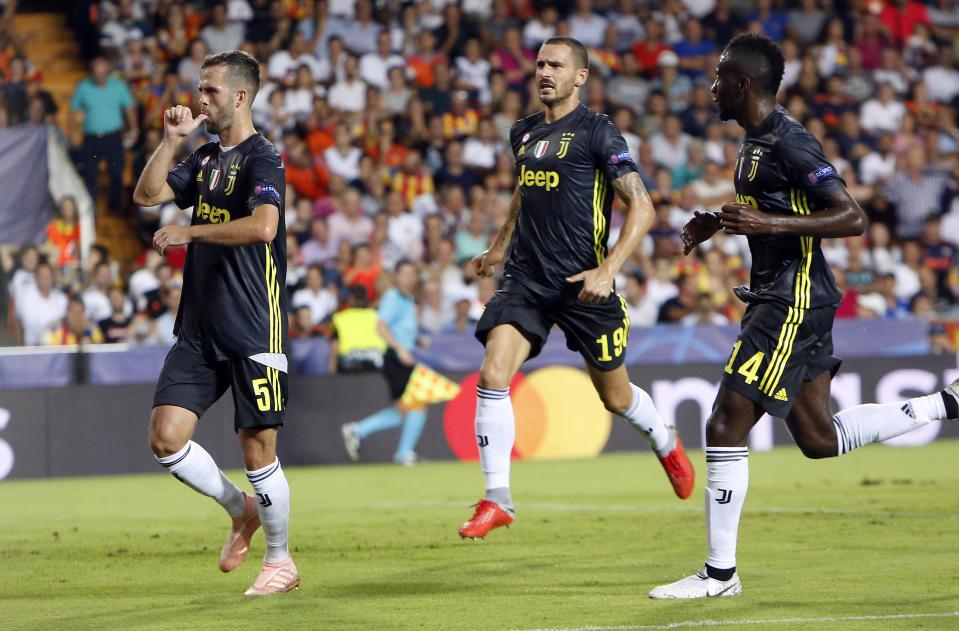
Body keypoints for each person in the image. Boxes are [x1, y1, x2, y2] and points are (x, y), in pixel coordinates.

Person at [650, 33, 959, 600]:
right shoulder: (753, 141)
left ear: (743, 84)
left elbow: (851, 215)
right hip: (792, 298)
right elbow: (771, 208)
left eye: (719, 77)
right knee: (819, 438)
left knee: (724, 424)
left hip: (790, 302)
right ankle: (949, 402)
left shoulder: (792, 142)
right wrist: (719, 221)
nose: (712, 86)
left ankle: (720, 575)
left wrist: (770, 228)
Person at [458, 37, 694, 541]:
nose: (544, 71)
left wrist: (608, 270)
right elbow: (526, 188)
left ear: (579, 77)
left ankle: (664, 439)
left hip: (585, 282)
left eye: (556, 65)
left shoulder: (597, 131)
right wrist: (500, 247)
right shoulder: (522, 132)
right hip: (527, 279)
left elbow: (643, 206)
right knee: (493, 372)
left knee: (615, 397)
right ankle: (497, 498)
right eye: (540, 63)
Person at [132, 50, 298, 596]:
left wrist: (192, 232)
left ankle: (280, 561)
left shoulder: (263, 157)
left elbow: (265, 226)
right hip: (200, 326)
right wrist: (171, 140)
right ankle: (241, 510)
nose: (200, 99)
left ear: (240, 96)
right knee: (165, 438)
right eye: (199, 89)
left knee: (257, 447)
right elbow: (148, 195)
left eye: (210, 91)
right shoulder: (203, 158)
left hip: (254, 323)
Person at [340, 261, 429, 466]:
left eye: (411, 273)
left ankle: (358, 430)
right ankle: (402, 453)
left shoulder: (407, 300)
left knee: (404, 411)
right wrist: (399, 349)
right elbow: (381, 327)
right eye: (404, 273)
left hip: (401, 357)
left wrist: (417, 340)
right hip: (395, 358)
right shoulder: (392, 297)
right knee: (416, 406)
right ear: (396, 276)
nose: (408, 277)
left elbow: (400, 328)